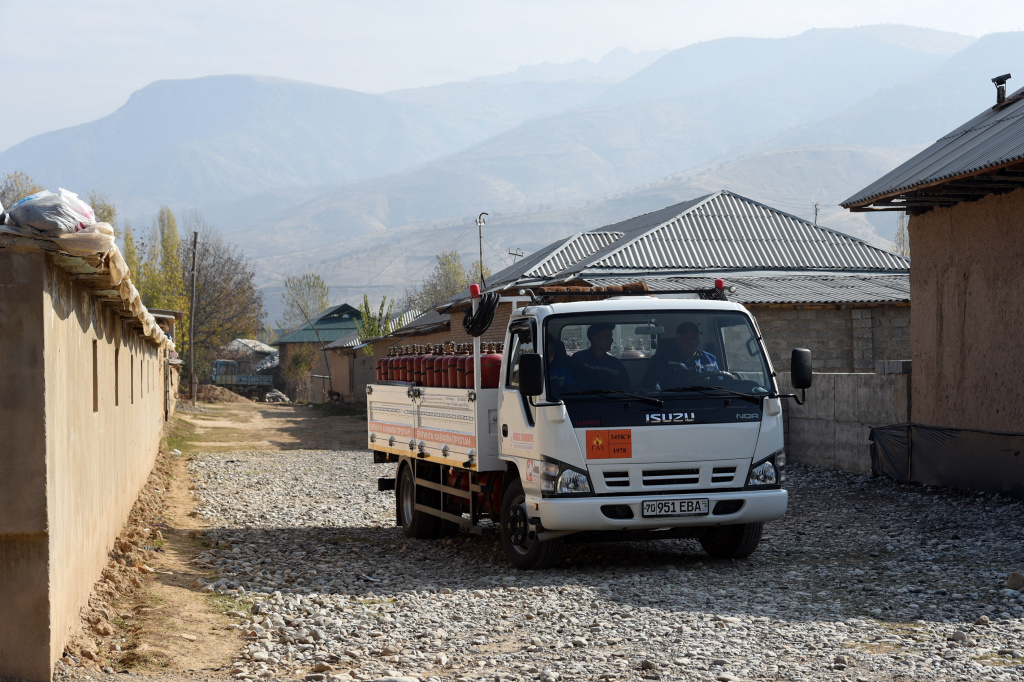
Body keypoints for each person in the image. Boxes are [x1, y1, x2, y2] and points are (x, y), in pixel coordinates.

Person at [643, 322, 721, 389]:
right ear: (677, 340)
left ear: (698, 339)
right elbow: (652, 387)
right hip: (674, 402)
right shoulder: (662, 360)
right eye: (686, 338)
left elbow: (720, 384)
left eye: (693, 338)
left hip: (707, 401)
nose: (690, 342)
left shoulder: (710, 359)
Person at [568, 322, 629, 391]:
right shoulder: (579, 359)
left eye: (611, 337)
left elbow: (625, 390)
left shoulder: (617, 365)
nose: (611, 340)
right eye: (607, 337)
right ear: (595, 339)